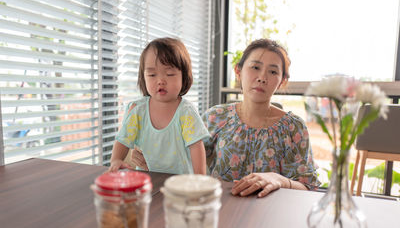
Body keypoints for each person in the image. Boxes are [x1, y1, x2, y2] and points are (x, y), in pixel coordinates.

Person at [202, 38, 320, 198]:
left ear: (281, 81)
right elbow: (188, 166)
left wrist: (280, 179)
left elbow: (309, 188)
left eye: (273, 72)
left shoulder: (294, 128)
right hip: (219, 210)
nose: (262, 77)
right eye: (255, 67)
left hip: (271, 215)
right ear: (238, 71)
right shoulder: (215, 117)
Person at [108, 37, 209, 175]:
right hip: (146, 181)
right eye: (152, 74)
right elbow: (123, 139)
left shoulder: (186, 112)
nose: (160, 81)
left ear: (183, 77)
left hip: (180, 183)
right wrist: (116, 160)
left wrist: (200, 179)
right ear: (143, 77)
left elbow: (196, 147)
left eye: (169, 74)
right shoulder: (138, 110)